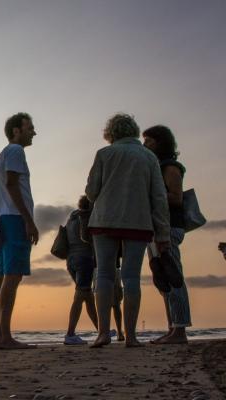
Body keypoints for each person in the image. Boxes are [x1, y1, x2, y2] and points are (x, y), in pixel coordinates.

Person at [85, 113, 170, 348]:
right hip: (138, 221)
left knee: (104, 274)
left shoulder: (104, 154)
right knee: (131, 277)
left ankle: (103, 333)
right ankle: (131, 336)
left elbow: (92, 192)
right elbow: (159, 197)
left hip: (104, 219)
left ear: (110, 133)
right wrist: (163, 234)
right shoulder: (148, 156)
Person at [0, 112, 38, 350]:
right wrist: (29, 220)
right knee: (12, 277)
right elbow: (11, 184)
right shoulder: (16, 151)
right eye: (30, 127)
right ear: (16, 130)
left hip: (4, 219)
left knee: (0, 279)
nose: (33, 132)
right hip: (15, 220)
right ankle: (4, 337)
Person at [142, 125, 192, 345]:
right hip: (154, 228)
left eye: (149, 141)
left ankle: (180, 330)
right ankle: (172, 327)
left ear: (160, 143)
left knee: (174, 276)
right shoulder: (155, 167)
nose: (145, 145)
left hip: (169, 227)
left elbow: (177, 198)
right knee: (162, 280)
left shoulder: (170, 167)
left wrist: (151, 196)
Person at [63, 195, 98, 345]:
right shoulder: (86, 217)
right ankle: (70, 334)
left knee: (88, 297)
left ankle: (101, 329)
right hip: (84, 259)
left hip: (71, 260)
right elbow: (87, 238)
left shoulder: (72, 217)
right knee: (79, 296)